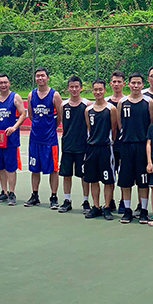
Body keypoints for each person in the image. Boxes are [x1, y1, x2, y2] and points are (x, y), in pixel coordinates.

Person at [24, 67, 63, 209]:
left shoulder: (54, 95)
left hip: (50, 139)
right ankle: (35, 195)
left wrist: (51, 128)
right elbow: (31, 115)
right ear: (35, 78)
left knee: (53, 169)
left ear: (47, 78)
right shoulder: (30, 95)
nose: (40, 78)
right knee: (34, 168)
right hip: (35, 138)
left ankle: (54, 196)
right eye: (37, 76)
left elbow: (60, 116)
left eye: (42, 76)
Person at [117, 73, 152, 224]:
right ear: (128, 84)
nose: (136, 86)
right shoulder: (122, 102)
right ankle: (127, 210)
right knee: (125, 181)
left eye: (139, 83)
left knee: (143, 181)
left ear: (142, 85)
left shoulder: (148, 102)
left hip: (142, 147)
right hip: (126, 146)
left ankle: (143, 210)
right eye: (133, 83)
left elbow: (151, 124)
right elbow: (119, 124)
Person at [0, 75, 26, 205]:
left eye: (5, 82)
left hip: (10, 138)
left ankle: (12, 192)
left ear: (9, 83)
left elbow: (23, 114)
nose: (3, 85)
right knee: (0, 166)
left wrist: (14, 127)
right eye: (0, 83)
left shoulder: (15, 97)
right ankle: (3, 192)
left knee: (11, 166)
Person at [84, 79, 119, 220]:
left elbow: (114, 128)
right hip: (91, 148)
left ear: (105, 90)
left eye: (100, 89)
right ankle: (96, 206)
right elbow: (89, 129)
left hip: (105, 149)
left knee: (108, 180)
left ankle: (107, 207)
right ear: (92, 91)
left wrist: (109, 142)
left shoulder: (111, 109)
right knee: (93, 179)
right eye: (95, 90)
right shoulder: (88, 110)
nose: (98, 92)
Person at [58, 76, 90, 214]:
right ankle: (67, 200)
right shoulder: (63, 105)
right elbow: (62, 123)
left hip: (82, 146)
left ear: (81, 88)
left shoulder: (87, 105)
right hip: (67, 145)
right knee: (66, 174)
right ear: (68, 88)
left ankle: (86, 201)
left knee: (84, 175)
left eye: (77, 86)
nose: (74, 89)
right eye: (71, 87)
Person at [107, 70, 126, 213]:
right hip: (107, 144)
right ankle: (110, 201)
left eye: (119, 81)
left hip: (123, 144)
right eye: (114, 81)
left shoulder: (127, 101)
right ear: (110, 84)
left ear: (124, 84)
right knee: (109, 173)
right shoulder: (106, 102)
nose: (116, 84)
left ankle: (122, 201)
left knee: (122, 173)